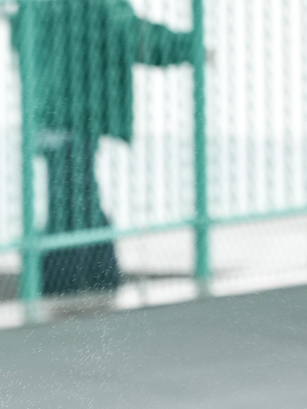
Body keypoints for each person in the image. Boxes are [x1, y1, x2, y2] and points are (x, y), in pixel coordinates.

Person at [12, 0, 199, 295]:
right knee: (75, 204)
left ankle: (92, 282)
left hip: (47, 109)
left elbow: (18, 35)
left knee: (76, 198)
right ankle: (72, 285)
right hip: (74, 111)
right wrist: (193, 46)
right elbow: (132, 35)